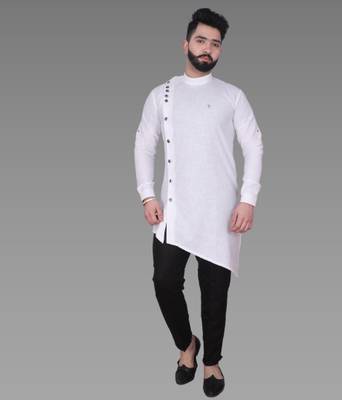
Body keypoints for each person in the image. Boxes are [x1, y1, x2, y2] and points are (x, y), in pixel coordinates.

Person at [134, 8, 263, 397]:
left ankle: (211, 362)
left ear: (220, 51)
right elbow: (144, 144)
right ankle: (187, 344)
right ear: (186, 44)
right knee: (164, 282)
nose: (208, 49)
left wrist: (248, 199)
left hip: (221, 214)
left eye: (215, 44)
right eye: (201, 40)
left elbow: (254, 145)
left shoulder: (232, 96)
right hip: (173, 210)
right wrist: (147, 193)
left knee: (215, 293)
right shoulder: (161, 94)